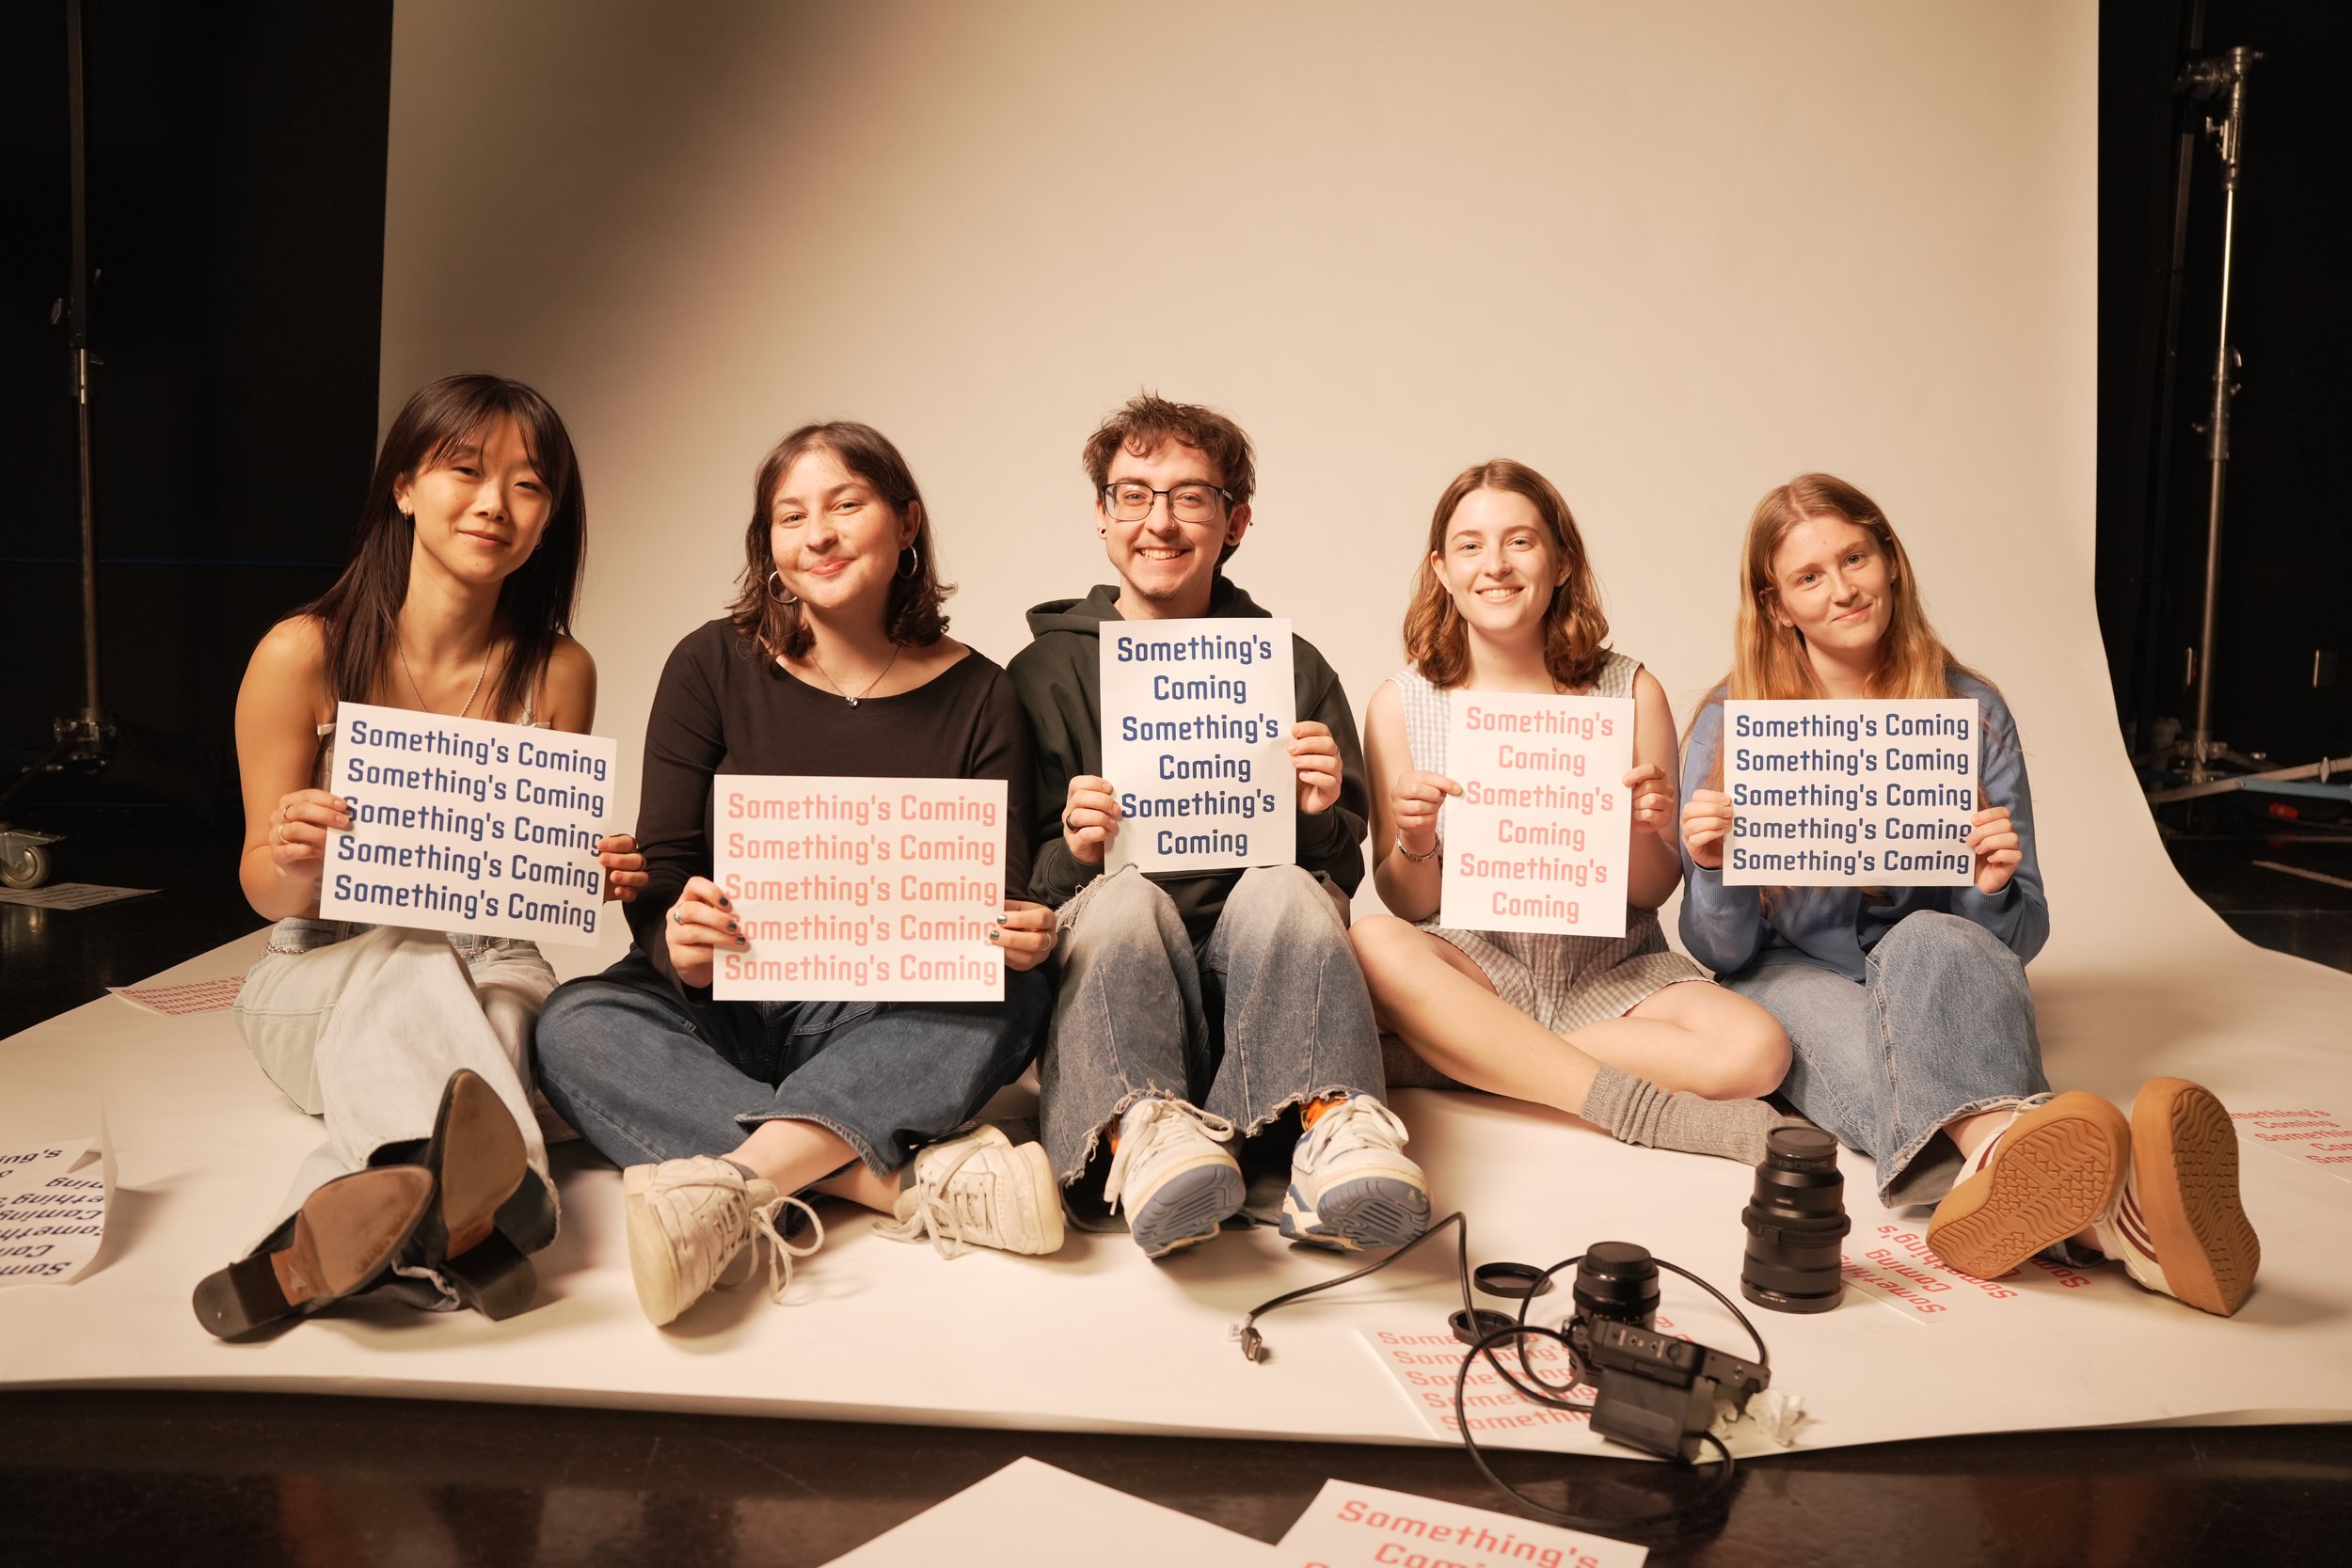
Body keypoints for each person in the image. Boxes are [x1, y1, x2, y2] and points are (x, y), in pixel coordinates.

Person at [1678, 473, 2258, 1314]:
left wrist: (1988, 888)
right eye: (1810, 577)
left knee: (1925, 938)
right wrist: (1714, 866)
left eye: (1855, 558)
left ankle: (2024, 1176)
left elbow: (2017, 935)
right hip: (1790, 973)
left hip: (1940, 970)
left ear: (1890, 562)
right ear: (1777, 605)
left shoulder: (1972, 712)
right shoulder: (1731, 722)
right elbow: (1723, 953)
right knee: (1822, 1019)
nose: (1842, 589)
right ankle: (2116, 1214)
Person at [533, 421, 1063, 1328]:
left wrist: (1021, 931)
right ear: (769, 549)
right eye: (791, 516)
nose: (816, 533)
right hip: (726, 1007)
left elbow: (993, 897)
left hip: (887, 1014)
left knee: (1014, 993)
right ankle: (897, 1183)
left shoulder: (982, 694)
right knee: (574, 1021)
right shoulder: (710, 663)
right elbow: (665, 869)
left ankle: (730, 1189)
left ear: (906, 525)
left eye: (845, 504)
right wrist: (680, 942)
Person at [199, 372, 645, 1338]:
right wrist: (294, 848)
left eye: (529, 485)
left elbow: (528, 887)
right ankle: (495, 1206)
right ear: (404, 485)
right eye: (466, 469)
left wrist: (591, 868)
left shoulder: (559, 670)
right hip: (322, 966)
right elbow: (266, 893)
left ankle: (333, 1235)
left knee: (505, 1006)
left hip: (496, 957)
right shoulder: (300, 654)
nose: (495, 502)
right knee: (414, 964)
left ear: (547, 519)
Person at [1009, 393, 1429, 1259]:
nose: (1158, 521)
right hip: (1116, 981)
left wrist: (1317, 814)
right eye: (1133, 493)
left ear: (1234, 520)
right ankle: (1142, 1135)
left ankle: (1328, 1128)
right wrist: (1074, 851)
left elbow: (1340, 873)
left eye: (1190, 496)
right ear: (1101, 515)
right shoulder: (1040, 675)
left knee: (1284, 884)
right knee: (1123, 901)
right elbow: (1013, 895)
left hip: (1261, 988)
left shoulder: (1290, 666)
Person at [1348, 460, 1793, 1167]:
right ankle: (1619, 1103)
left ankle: (1463, 1059)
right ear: (1441, 568)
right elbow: (1408, 905)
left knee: (1759, 1050)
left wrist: (1647, 828)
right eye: (1470, 546)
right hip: (1476, 965)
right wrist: (1416, 839)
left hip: (1611, 971)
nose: (1494, 564)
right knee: (1371, 942)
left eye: (1520, 542)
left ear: (1560, 561)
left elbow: (1651, 892)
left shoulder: (1631, 689)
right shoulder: (1400, 704)